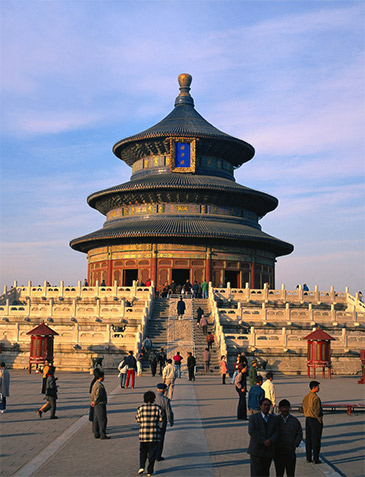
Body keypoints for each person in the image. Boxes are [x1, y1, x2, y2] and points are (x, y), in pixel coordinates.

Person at [247, 398, 279, 477]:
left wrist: (270, 441)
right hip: (256, 450)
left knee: (265, 473)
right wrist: (263, 441)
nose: (266, 407)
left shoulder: (273, 419)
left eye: (268, 405)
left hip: (268, 451)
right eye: (264, 405)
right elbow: (252, 431)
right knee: (256, 473)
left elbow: (277, 432)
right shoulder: (253, 417)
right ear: (260, 406)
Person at [136, 391, 164, 477]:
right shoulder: (158, 408)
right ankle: (150, 471)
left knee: (143, 451)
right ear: (153, 399)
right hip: (154, 434)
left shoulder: (140, 408)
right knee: (152, 452)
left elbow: (138, 419)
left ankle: (141, 466)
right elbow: (161, 419)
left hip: (143, 434)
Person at [274, 399, 303, 477]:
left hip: (290, 452)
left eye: (286, 407)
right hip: (278, 452)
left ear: (289, 408)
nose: (284, 409)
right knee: (279, 473)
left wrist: (295, 444)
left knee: (290, 473)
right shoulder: (275, 420)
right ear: (279, 409)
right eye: (282, 408)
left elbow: (299, 434)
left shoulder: (294, 420)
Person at [302, 380, 323, 464]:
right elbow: (317, 411)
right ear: (314, 388)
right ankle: (316, 458)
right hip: (315, 420)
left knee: (308, 439)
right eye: (318, 386)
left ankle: (308, 457)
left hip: (308, 418)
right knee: (316, 440)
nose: (319, 388)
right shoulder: (316, 398)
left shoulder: (306, 397)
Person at [155, 383, 174, 461]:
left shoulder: (152, 397)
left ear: (157, 389)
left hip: (152, 422)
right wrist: (171, 421)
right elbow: (169, 413)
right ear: (164, 390)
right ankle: (158, 456)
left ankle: (150, 454)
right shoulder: (165, 400)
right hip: (162, 423)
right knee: (160, 439)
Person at [90, 368, 109, 439]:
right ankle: (102, 434)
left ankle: (96, 433)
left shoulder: (95, 384)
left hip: (96, 404)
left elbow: (92, 394)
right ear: (101, 377)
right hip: (100, 404)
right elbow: (97, 395)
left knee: (96, 419)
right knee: (102, 419)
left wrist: (92, 401)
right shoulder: (99, 385)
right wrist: (94, 401)